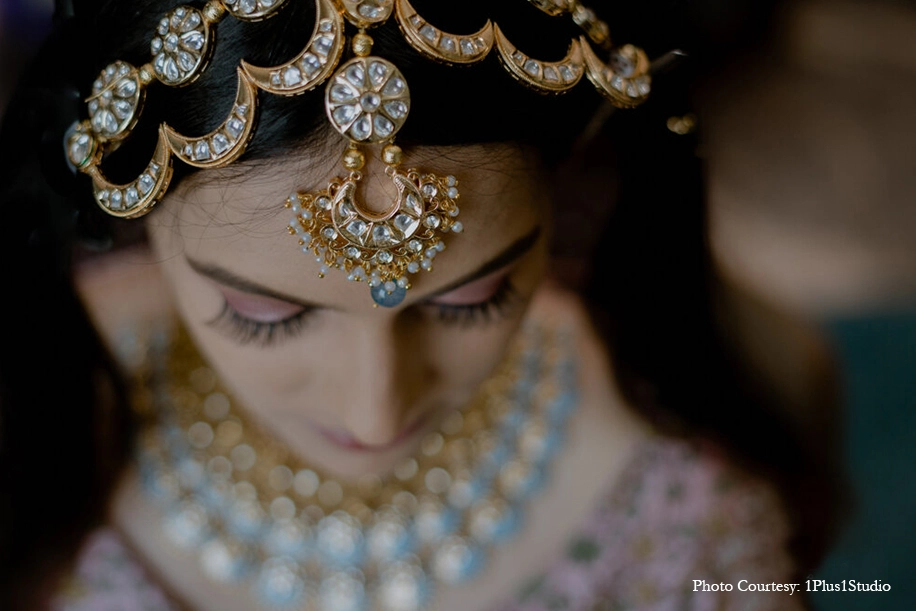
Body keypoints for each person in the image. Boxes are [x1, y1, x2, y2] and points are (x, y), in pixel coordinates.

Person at [0, 0, 845, 609]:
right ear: (143, 227)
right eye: (267, 316)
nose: (374, 413)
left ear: (563, 192)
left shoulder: (685, 524)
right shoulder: (37, 407)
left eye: (473, 300)